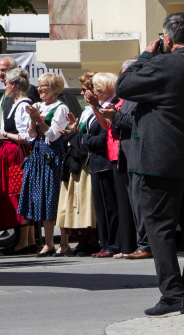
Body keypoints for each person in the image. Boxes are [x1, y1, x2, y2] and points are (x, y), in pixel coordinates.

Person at [115, 13, 184, 315]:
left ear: (167, 39)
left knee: (159, 228)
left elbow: (124, 84)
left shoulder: (163, 64)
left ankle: (173, 294)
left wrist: (146, 53)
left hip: (160, 162)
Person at [17, 73, 70, 257]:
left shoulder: (60, 108)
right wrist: (33, 119)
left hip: (53, 155)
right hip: (38, 154)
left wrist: (38, 119)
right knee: (42, 198)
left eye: (44, 85)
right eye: (38, 86)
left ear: (54, 88)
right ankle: (48, 243)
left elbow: (54, 135)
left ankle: (63, 242)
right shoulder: (37, 106)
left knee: (54, 198)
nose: (40, 89)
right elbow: (31, 135)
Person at [106, 59, 151, 260]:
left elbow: (135, 122)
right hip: (127, 155)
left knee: (141, 202)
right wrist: (112, 118)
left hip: (139, 154)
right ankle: (140, 243)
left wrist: (114, 117)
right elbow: (118, 126)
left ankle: (145, 245)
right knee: (134, 202)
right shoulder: (125, 98)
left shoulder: (140, 96)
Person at [56, 74, 98, 254]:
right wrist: (73, 131)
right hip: (78, 160)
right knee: (78, 202)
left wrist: (75, 134)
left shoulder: (95, 109)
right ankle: (83, 240)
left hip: (87, 161)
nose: (81, 93)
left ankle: (93, 239)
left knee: (88, 202)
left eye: (84, 89)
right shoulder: (87, 111)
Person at [0, 68, 34, 255]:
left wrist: (3, 134)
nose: (6, 86)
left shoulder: (23, 105)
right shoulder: (16, 104)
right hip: (11, 154)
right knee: (17, 196)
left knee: (18, 196)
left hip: (17, 155)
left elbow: (26, 137)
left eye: (7, 83)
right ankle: (28, 240)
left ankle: (23, 242)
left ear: (14, 85)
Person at [82, 72, 121, 258]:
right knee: (101, 207)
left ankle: (112, 244)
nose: (94, 91)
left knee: (109, 206)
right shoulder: (99, 106)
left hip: (105, 160)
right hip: (96, 162)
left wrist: (95, 106)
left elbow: (106, 128)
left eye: (97, 87)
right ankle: (105, 243)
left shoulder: (111, 105)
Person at [0, 57, 40, 131]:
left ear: (14, 69)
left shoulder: (28, 90)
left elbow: (34, 118)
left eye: (3, 70)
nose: (0, 74)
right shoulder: (5, 94)